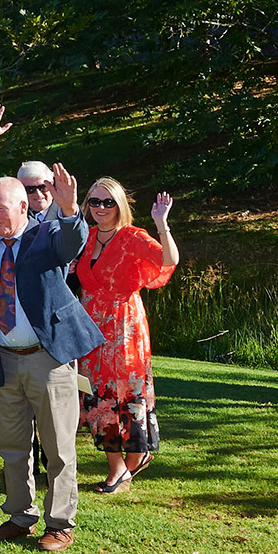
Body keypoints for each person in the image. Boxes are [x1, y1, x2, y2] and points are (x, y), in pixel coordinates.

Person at [0, 162, 103, 551]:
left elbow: (73, 242)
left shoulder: (46, 236)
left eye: (2, 208)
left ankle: (60, 523)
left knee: (58, 447)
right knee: (12, 446)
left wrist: (68, 210)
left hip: (48, 359)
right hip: (5, 359)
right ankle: (19, 515)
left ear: (22, 206)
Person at [76, 180, 179, 492]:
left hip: (124, 327)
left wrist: (162, 225)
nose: (101, 208)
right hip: (91, 328)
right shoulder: (87, 235)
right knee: (97, 396)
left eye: (108, 202)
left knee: (125, 395)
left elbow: (168, 260)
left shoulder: (134, 237)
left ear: (120, 205)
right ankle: (125, 463)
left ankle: (124, 466)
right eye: (95, 201)